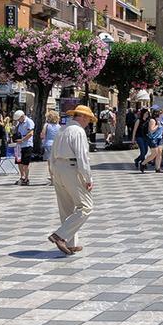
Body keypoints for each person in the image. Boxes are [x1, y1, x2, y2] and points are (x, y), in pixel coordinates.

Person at [47, 105, 96, 255]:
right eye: (88, 119)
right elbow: (82, 157)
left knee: (66, 208)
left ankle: (70, 243)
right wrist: (88, 178)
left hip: (57, 167)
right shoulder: (78, 131)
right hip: (71, 168)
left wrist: (53, 172)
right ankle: (60, 236)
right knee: (86, 206)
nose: (89, 122)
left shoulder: (62, 130)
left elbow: (51, 154)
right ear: (82, 117)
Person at [12, 110, 35, 185]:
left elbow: (31, 133)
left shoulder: (29, 122)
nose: (18, 120)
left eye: (19, 119)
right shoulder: (19, 123)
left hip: (27, 145)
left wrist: (22, 140)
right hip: (18, 145)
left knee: (25, 163)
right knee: (19, 162)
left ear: (22, 116)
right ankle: (22, 176)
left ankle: (26, 178)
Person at [140, 108, 163, 173]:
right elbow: (151, 130)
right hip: (153, 139)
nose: (162, 115)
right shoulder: (152, 120)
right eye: (160, 113)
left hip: (159, 138)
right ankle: (143, 163)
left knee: (159, 153)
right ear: (157, 114)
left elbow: (161, 129)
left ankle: (158, 168)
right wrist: (157, 125)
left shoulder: (160, 120)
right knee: (154, 153)